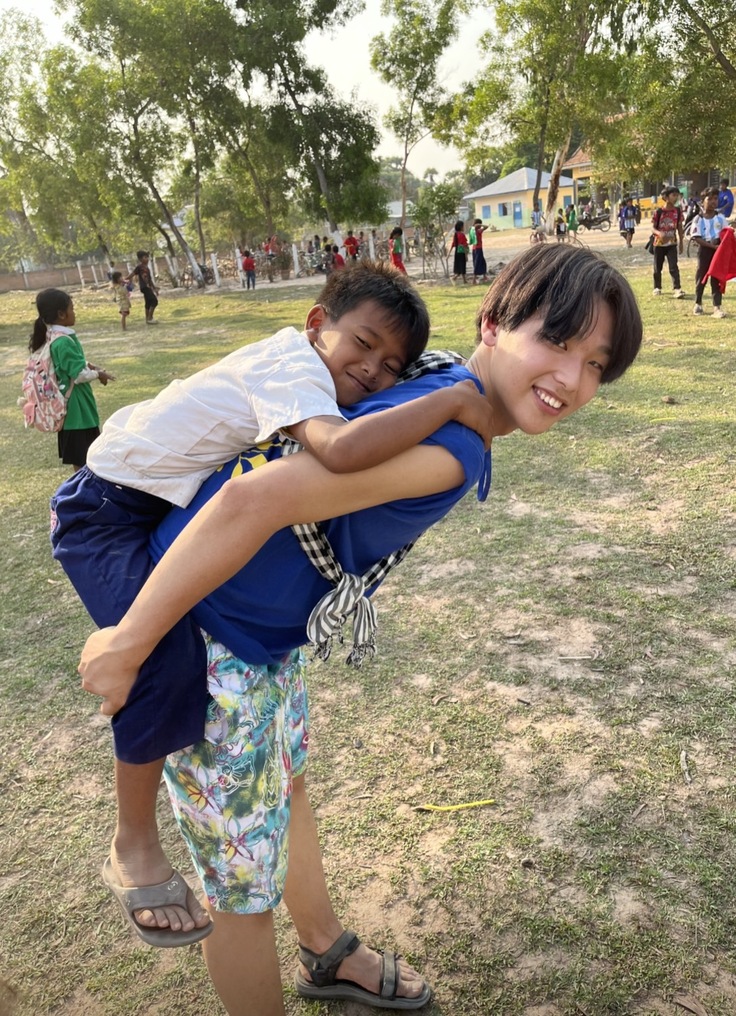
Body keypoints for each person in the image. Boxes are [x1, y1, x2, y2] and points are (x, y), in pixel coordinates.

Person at [77, 245, 643, 1015]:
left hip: (262, 637)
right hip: (211, 636)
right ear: (494, 321)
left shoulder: (440, 376)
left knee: (291, 789)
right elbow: (254, 502)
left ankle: (325, 950)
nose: (571, 380)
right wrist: (132, 641)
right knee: (241, 887)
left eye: (596, 364)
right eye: (557, 341)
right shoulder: (454, 444)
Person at [51, 261, 494, 951]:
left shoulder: (317, 371)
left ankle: (316, 942)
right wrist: (456, 402)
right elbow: (342, 453)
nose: (374, 370)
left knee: (177, 659)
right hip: (104, 512)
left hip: (148, 501)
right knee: (162, 655)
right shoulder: (292, 368)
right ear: (318, 323)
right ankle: (131, 844)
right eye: (363, 344)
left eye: (392, 364)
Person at [31, 289, 115, 471]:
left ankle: (84, 492)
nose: (74, 312)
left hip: (76, 411)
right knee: (84, 460)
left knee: (84, 458)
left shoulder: (56, 337)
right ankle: (81, 495)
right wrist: (98, 374)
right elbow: (79, 375)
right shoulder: (63, 341)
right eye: (72, 308)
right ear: (61, 314)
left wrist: (93, 367)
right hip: (77, 412)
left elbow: (72, 364)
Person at [691, 187, 728, 318]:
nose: (713, 202)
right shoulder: (698, 219)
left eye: (715, 199)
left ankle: (717, 307)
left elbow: (726, 234)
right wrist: (712, 247)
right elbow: (697, 237)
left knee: (716, 278)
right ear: (703, 201)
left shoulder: (721, 218)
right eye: (710, 199)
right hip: (706, 250)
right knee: (701, 276)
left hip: (718, 251)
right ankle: (698, 303)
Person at [651, 186, 685, 298]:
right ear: (666, 197)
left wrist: (681, 242)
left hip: (672, 244)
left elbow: (680, 227)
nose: (675, 198)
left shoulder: (678, 211)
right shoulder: (659, 212)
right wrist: (659, 233)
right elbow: (653, 228)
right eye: (673, 195)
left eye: (677, 195)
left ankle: (677, 288)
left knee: (673, 266)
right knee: (657, 267)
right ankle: (657, 287)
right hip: (659, 244)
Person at [128, 251, 159, 325]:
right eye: (145, 257)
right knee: (154, 301)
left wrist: (154, 289)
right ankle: (150, 318)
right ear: (140, 259)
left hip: (148, 287)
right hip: (144, 287)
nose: (147, 259)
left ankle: (147, 319)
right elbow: (132, 274)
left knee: (148, 303)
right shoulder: (139, 267)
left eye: (147, 257)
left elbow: (150, 279)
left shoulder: (147, 268)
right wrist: (125, 279)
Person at [469, 218, 489, 284]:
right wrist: (479, 224)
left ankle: (484, 276)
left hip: (475, 249)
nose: (480, 226)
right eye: (479, 224)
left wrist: (479, 225)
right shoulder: (476, 231)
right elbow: (486, 226)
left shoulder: (474, 230)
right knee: (477, 263)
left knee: (482, 262)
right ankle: (474, 279)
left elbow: (486, 227)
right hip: (478, 249)